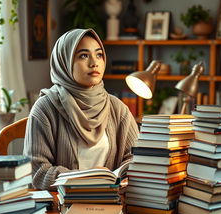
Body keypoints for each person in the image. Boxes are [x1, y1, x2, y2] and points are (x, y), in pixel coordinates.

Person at [23, 28, 139, 190]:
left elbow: (136, 159)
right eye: (83, 55)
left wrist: (114, 178)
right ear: (65, 62)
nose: (94, 62)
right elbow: (36, 171)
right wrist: (86, 179)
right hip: (62, 206)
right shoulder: (45, 109)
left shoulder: (118, 109)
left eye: (99, 55)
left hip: (110, 201)